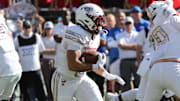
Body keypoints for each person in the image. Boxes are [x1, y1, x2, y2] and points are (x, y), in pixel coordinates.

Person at [51, 3, 125, 101]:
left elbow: (90, 63)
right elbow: (72, 64)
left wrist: (107, 75)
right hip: (65, 79)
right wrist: (93, 66)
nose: (101, 24)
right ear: (87, 19)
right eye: (98, 20)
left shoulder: (96, 36)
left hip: (81, 78)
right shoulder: (75, 32)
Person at [137, 0, 180, 100]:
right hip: (172, 66)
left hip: (155, 70)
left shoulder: (152, 29)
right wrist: (173, 12)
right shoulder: (172, 19)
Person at [14, 20, 47, 101]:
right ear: (22, 28)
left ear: (31, 28)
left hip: (36, 69)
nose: (27, 30)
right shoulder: (17, 39)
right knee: (24, 94)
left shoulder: (36, 37)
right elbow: (15, 52)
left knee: (41, 92)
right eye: (25, 28)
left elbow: (42, 50)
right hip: (24, 70)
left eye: (29, 28)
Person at [0, 11, 22, 101]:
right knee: (5, 98)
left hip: (5, 70)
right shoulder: (1, 17)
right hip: (16, 69)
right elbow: (9, 35)